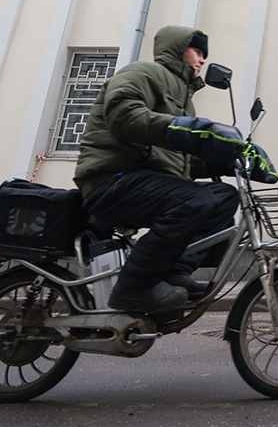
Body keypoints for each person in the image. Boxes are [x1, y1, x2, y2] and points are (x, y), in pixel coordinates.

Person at [74, 25, 263, 313]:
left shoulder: (184, 102)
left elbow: (184, 160)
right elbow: (124, 114)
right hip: (111, 179)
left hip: (149, 183)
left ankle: (175, 272)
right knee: (195, 199)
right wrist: (182, 127)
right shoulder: (143, 72)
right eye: (197, 51)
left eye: (204, 54)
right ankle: (133, 287)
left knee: (224, 196)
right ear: (177, 50)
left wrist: (229, 160)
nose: (202, 60)